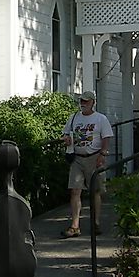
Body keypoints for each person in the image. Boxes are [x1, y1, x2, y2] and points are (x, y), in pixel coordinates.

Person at [60, 91, 113, 238]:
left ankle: (95, 223)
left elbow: (106, 137)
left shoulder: (100, 119)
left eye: (86, 101)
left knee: (95, 191)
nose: (83, 103)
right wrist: (66, 139)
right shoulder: (74, 118)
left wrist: (103, 154)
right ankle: (75, 225)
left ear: (93, 102)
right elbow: (66, 133)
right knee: (75, 190)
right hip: (77, 158)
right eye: (81, 101)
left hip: (94, 157)